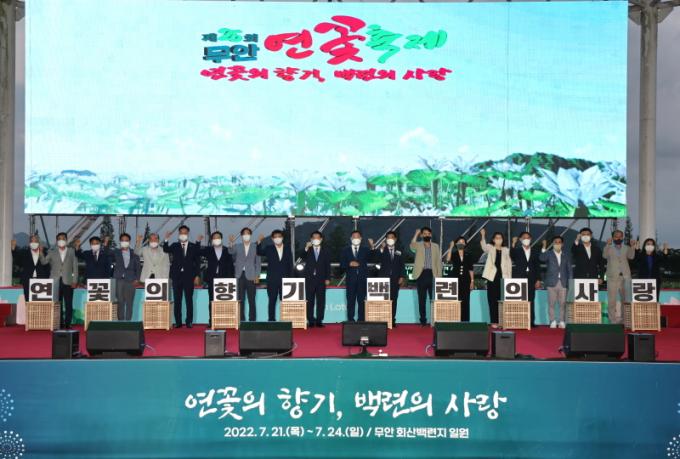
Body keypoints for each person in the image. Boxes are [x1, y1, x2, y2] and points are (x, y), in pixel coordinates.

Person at [163, 225, 201, 328]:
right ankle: (178, 322)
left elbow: (197, 262)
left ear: (188, 234)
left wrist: (197, 275)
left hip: (189, 277)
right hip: (176, 276)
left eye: (185, 233)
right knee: (177, 300)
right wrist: (166, 239)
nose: (183, 234)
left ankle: (189, 321)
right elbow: (166, 249)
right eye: (181, 233)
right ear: (179, 234)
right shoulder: (174, 245)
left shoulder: (193, 246)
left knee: (189, 300)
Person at [41, 232, 79, 329]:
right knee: (58, 303)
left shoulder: (71, 251)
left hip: (68, 281)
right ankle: (59, 323)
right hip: (55, 281)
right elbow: (44, 262)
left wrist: (75, 281)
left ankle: (68, 323)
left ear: (66, 240)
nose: (61, 240)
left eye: (63, 238)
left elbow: (75, 267)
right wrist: (40, 252)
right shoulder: (52, 252)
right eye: (59, 239)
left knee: (68, 303)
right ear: (57, 240)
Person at [369, 231, 405, 326]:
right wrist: (379, 249)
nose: (390, 239)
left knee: (393, 300)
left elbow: (402, 265)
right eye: (388, 237)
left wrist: (402, 276)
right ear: (386, 239)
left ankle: (392, 320)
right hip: (383, 279)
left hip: (395, 279)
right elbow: (374, 259)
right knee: (383, 300)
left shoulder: (399, 250)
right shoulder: (382, 250)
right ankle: (382, 320)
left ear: (395, 239)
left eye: (392, 237)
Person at [256, 230, 293, 321]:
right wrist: (259, 242)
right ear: (272, 239)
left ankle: (285, 319)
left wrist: (290, 278)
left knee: (284, 301)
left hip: (285, 279)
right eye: (275, 237)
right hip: (272, 279)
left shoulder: (287, 248)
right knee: (272, 300)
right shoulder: (269, 248)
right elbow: (259, 252)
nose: (277, 238)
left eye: (279, 236)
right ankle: (271, 319)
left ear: (282, 237)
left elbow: (290, 264)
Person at [200, 231, 235, 326]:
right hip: (212, 278)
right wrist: (198, 242)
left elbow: (231, 265)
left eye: (218, 237)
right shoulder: (208, 250)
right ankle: (212, 321)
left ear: (221, 239)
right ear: (212, 240)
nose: (216, 239)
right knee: (212, 300)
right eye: (214, 238)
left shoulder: (227, 250)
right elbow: (198, 252)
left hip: (224, 278)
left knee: (224, 300)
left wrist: (231, 279)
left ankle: (224, 321)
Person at [410, 227, 442, 326]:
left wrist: (439, 277)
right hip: (421, 274)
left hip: (433, 274)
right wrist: (416, 234)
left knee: (434, 299)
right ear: (422, 235)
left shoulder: (436, 246)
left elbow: (438, 262)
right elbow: (411, 246)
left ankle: (434, 321)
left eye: (428, 233)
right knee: (422, 300)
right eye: (424, 233)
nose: (427, 235)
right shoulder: (418, 245)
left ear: (431, 235)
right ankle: (423, 321)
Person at [480, 228, 512, 327]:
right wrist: (483, 235)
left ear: (502, 239)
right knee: (492, 300)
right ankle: (494, 321)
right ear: (493, 239)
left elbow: (509, 265)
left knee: (502, 300)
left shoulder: (506, 250)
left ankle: (502, 321)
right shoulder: (490, 248)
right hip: (492, 277)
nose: (498, 239)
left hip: (503, 277)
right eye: (496, 238)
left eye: (500, 238)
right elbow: (484, 247)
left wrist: (509, 278)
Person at [228, 227, 261, 322]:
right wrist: (231, 243)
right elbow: (230, 251)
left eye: (248, 233)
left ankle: (252, 320)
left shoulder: (255, 247)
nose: (246, 235)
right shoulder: (237, 246)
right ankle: (241, 320)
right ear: (242, 236)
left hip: (251, 276)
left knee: (251, 300)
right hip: (239, 275)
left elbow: (258, 263)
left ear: (250, 235)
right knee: (240, 299)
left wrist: (257, 275)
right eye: (244, 234)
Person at [602, 230, 635, 324]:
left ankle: (625, 320)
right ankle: (612, 320)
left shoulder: (626, 248)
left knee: (625, 299)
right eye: (616, 236)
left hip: (625, 277)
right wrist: (607, 245)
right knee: (612, 300)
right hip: (612, 277)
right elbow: (604, 256)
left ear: (623, 237)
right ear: (613, 238)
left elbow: (631, 256)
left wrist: (632, 246)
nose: (618, 238)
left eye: (620, 236)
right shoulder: (609, 248)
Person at [540, 236, 572, 328]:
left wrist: (570, 282)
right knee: (551, 304)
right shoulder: (549, 254)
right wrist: (544, 247)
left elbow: (569, 269)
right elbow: (542, 258)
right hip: (551, 282)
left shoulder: (566, 255)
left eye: (559, 242)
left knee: (563, 304)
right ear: (553, 244)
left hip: (563, 282)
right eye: (555, 242)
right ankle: (552, 321)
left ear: (562, 244)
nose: (557, 244)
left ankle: (562, 321)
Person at [510, 232, 542, 326]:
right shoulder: (517, 250)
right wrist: (513, 243)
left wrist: (538, 279)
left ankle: (531, 322)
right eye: (524, 238)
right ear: (520, 239)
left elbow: (537, 266)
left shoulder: (535, 251)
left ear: (531, 239)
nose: (526, 239)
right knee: (519, 300)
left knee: (531, 300)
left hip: (531, 278)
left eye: (528, 238)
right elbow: (512, 255)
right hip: (519, 278)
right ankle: (519, 321)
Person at [302, 231, 331, 327]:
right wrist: (306, 247)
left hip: (321, 279)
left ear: (321, 239)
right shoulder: (308, 250)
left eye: (318, 237)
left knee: (321, 301)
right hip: (309, 279)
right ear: (311, 239)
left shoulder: (326, 251)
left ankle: (319, 320)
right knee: (309, 301)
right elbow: (301, 256)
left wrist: (328, 278)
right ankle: (310, 320)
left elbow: (327, 265)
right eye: (314, 238)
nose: (316, 239)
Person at [110, 233, 141, 321]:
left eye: (126, 240)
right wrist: (105, 244)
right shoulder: (115, 253)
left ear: (129, 241)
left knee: (129, 303)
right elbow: (105, 253)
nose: (124, 242)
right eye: (122, 240)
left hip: (131, 281)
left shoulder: (135, 254)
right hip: (118, 280)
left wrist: (137, 279)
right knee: (120, 302)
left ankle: (128, 322)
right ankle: (121, 322)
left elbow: (138, 268)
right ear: (120, 242)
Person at [340, 231, 370, 322]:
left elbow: (374, 258)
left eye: (358, 237)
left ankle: (361, 320)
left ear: (361, 238)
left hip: (362, 280)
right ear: (351, 238)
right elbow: (342, 265)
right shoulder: (345, 250)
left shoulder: (366, 250)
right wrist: (349, 264)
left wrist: (372, 247)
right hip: (350, 280)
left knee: (362, 301)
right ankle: (350, 320)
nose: (356, 238)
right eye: (354, 237)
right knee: (350, 301)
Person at [11, 235, 49, 300]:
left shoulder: (45, 253)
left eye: (35, 241)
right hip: (27, 281)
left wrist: (47, 279)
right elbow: (18, 261)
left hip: (42, 281)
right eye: (32, 241)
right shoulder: (24, 252)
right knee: (27, 300)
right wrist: (13, 249)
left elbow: (47, 266)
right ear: (29, 243)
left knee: (40, 301)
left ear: (39, 242)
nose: (33, 243)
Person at [446, 236, 474, 322]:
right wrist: (451, 247)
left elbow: (471, 269)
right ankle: (456, 320)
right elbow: (448, 259)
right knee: (456, 300)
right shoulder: (454, 254)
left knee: (466, 300)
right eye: (459, 242)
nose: (461, 243)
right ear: (456, 243)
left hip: (466, 280)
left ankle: (465, 321)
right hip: (455, 280)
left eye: (463, 242)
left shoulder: (468, 254)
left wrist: (472, 281)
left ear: (465, 244)